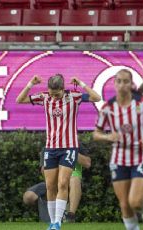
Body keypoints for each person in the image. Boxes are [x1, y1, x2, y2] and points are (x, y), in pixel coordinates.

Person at [16, 73, 101, 230]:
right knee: (50, 186)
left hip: (69, 147)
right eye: (52, 94)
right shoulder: (44, 97)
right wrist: (31, 83)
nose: (54, 98)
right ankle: (52, 222)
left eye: (57, 94)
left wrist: (81, 82)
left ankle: (57, 222)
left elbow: (97, 97)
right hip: (51, 148)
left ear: (63, 89)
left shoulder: (74, 97)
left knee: (63, 183)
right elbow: (19, 100)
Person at [93, 69, 143, 230]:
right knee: (125, 205)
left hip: (141, 155)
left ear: (131, 84)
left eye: (125, 81)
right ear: (114, 83)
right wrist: (107, 137)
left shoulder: (141, 103)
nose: (122, 84)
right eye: (119, 81)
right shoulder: (108, 108)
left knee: (135, 201)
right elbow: (96, 133)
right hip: (119, 158)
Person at [23, 147, 92, 223]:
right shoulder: (49, 146)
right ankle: (46, 209)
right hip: (53, 182)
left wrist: (71, 150)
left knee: (74, 180)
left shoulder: (77, 145)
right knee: (28, 196)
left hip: (72, 182)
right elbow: (44, 171)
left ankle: (70, 216)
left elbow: (87, 163)